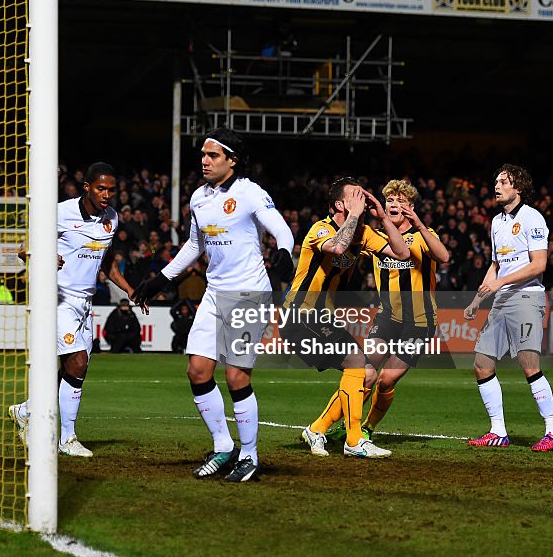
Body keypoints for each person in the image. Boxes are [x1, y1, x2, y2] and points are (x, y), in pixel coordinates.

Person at [132, 128, 295, 482]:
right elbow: (195, 246)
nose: (204, 161)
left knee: (236, 376)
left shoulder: (250, 193)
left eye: (212, 156)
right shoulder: (199, 199)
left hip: (249, 293)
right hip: (214, 292)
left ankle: (249, 455)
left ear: (232, 160)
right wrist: (161, 278)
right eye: (203, 155)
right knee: (198, 371)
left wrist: (284, 253)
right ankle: (224, 447)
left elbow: (282, 231)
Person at [8, 162, 140, 457]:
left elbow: (106, 263)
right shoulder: (60, 212)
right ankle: (66, 438)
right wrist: (42, 255)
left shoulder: (112, 219)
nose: (106, 194)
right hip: (58, 299)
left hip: (85, 302)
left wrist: (131, 290)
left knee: (72, 370)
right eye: (100, 188)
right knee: (77, 361)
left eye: (111, 190)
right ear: (87, 188)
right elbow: (22, 248)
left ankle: (26, 410)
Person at [287, 176, 410, 459]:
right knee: (357, 361)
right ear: (339, 204)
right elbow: (338, 247)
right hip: (300, 316)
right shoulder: (320, 229)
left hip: (324, 320)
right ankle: (354, 440)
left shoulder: (364, 232)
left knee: (365, 373)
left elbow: (402, 254)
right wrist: (354, 215)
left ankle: (316, 429)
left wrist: (383, 215)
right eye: (357, 195)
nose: (363, 199)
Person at [325, 179, 449, 444]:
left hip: (419, 321)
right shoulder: (377, 237)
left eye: (400, 201)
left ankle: (367, 426)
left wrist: (419, 225)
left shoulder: (423, 236)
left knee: (386, 380)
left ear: (411, 207)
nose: (394, 205)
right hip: (387, 318)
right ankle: (327, 428)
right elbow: (347, 254)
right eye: (390, 200)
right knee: (364, 374)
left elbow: (444, 257)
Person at [464, 164, 553, 452]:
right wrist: (477, 300)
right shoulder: (496, 222)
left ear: (518, 188)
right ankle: (498, 431)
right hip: (502, 298)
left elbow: (539, 264)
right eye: (496, 181)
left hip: (527, 297)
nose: (497, 186)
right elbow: (496, 265)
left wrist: (500, 283)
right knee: (482, 364)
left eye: (503, 182)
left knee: (529, 364)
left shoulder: (533, 218)